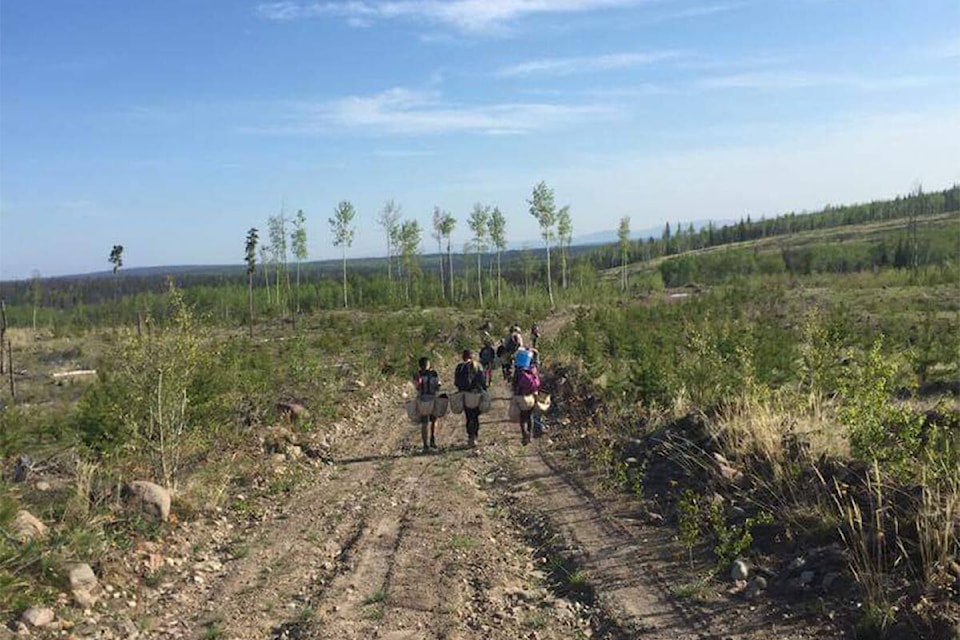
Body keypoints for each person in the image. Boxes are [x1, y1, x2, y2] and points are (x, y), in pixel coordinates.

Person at [454, 349, 487, 448]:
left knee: (468, 416)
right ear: (472, 356)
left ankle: (470, 437)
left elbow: (456, 383)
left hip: (465, 394)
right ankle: (475, 437)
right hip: (476, 394)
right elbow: (483, 381)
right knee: (475, 416)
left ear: (463, 357)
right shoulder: (478, 366)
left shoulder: (459, 367)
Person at [512, 348, 541, 446]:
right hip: (532, 396)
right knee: (530, 416)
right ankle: (531, 435)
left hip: (521, 397)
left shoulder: (518, 371)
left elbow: (514, 385)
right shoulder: (533, 369)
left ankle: (524, 435)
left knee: (522, 418)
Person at [414, 357, 441, 452]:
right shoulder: (434, 373)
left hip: (423, 400)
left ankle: (425, 445)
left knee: (425, 423)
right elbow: (438, 386)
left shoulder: (418, 375)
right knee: (434, 421)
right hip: (433, 398)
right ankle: (433, 440)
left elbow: (417, 387)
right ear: (428, 364)